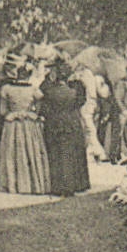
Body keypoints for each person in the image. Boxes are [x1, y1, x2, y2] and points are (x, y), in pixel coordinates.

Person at [0, 59, 50, 194]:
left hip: (12, 123)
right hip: (28, 122)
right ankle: (32, 183)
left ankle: (13, 184)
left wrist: (13, 112)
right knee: (31, 152)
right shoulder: (33, 89)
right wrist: (32, 112)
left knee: (13, 152)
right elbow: (39, 104)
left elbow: (2, 111)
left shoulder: (7, 89)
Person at [40, 62, 90, 197]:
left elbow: (43, 109)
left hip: (54, 123)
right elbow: (81, 101)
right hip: (72, 122)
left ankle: (59, 185)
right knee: (72, 154)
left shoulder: (49, 91)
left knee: (56, 155)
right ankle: (75, 184)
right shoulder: (74, 91)